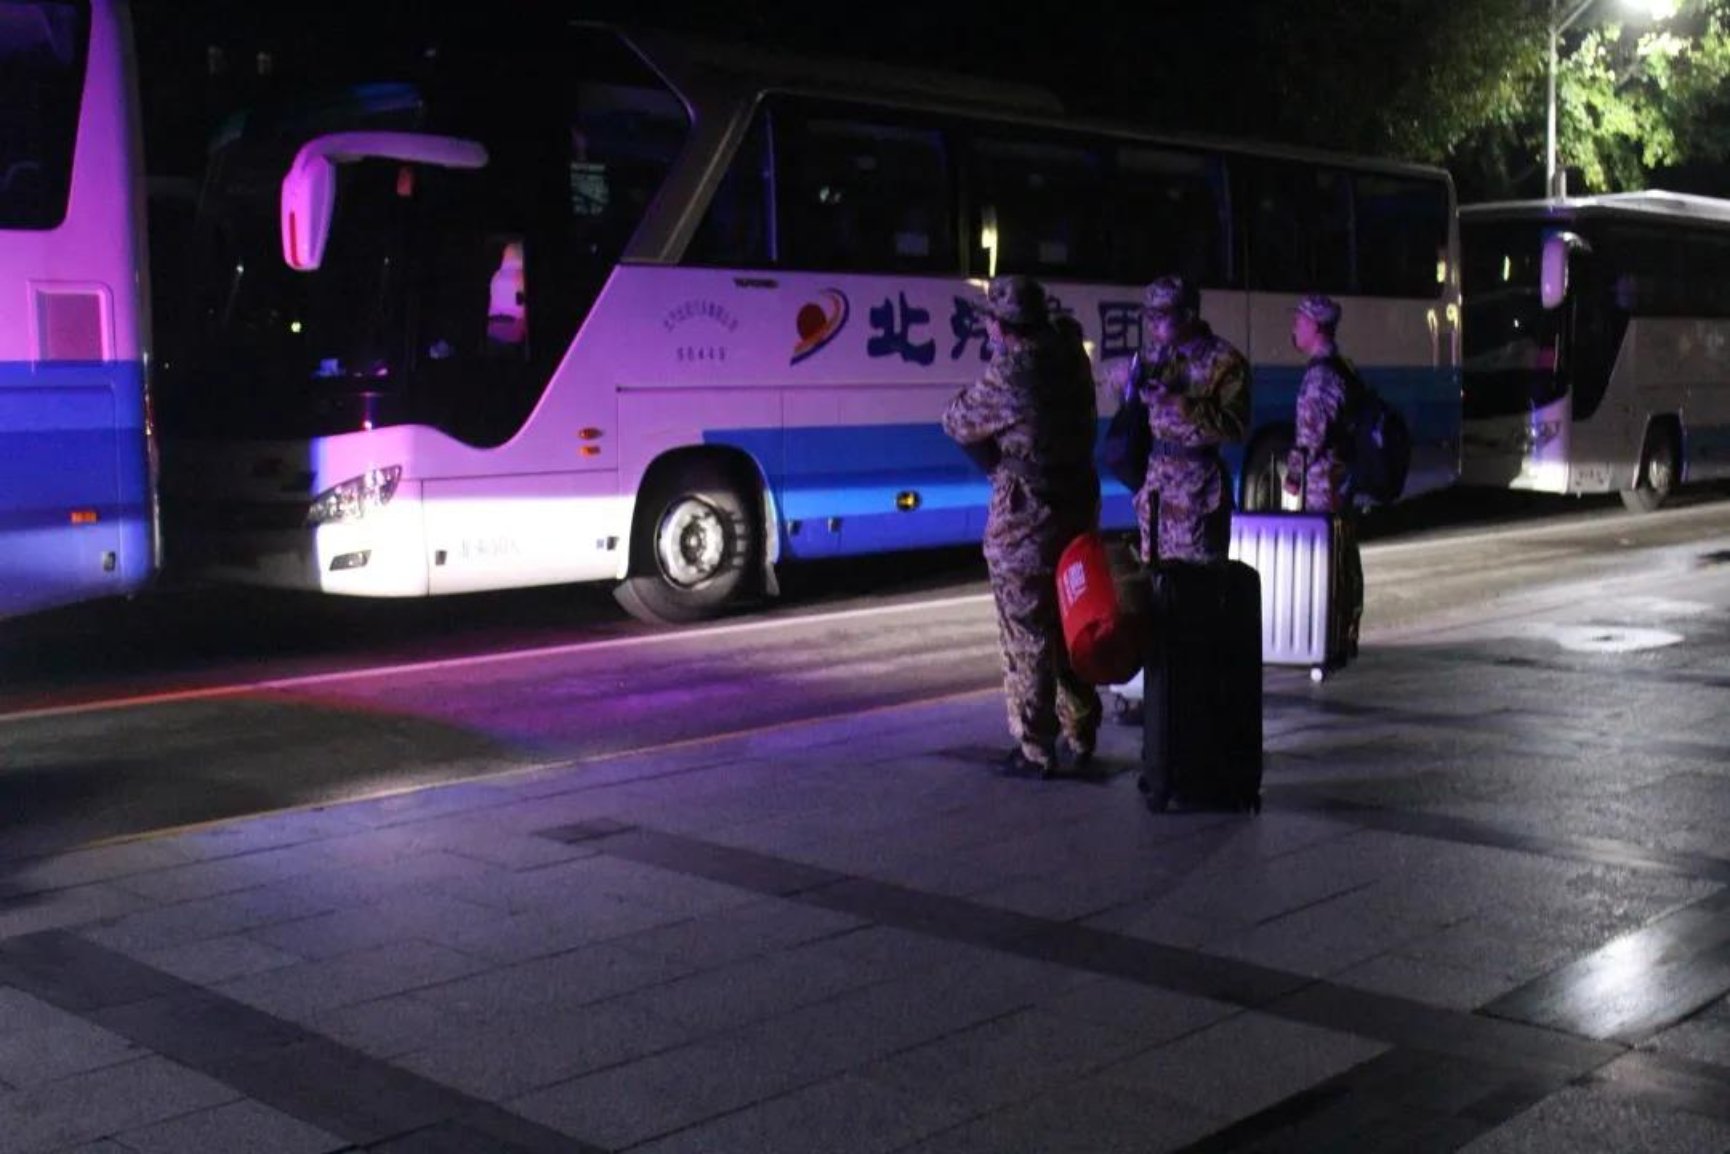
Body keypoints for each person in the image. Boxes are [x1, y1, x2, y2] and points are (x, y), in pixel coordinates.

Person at [943, 276, 1102, 777]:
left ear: (1000, 325)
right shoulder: (1070, 355)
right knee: (1072, 616)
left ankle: (1036, 747)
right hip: (1078, 503)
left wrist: (998, 466)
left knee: (1026, 629)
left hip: (1027, 514)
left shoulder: (1013, 370)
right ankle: (1081, 731)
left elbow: (956, 420)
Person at [1130, 275, 1251, 565]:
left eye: (1160, 316)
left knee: (1196, 579)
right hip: (1157, 486)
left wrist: (1181, 404)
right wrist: (1127, 384)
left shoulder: (1224, 361)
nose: (1152, 324)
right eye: (1148, 316)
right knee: (1155, 577)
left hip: (1197, 489)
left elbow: (1236, 426)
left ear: (1187, 315)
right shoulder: (1156, 355)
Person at [1284, 293, 1365, 656]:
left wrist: (1293, 475)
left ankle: (1331, 635)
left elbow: (1310, 437)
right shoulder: (1340, 367)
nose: (1294, 326)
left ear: (1316, 327)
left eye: (1300, 321)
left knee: (1329, 559)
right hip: (1336, 480)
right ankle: (1340, 632)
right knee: (1340, 554)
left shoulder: (1321, 377)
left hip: (1323, 484)